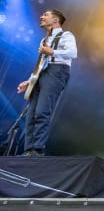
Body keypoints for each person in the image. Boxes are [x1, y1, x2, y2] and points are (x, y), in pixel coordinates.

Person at [16, 9, 77, 157]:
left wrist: (53, 52)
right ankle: (28, 150)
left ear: (55, 20)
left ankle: (37, 150)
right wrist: (29, 81)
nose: (41, 17)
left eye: (45, 15)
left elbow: (73, 53)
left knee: (42, 111)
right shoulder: (44, 40)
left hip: (57, 71)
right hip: (42, 74)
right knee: (31, 113)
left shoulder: (66, 35)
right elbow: (41, 64)